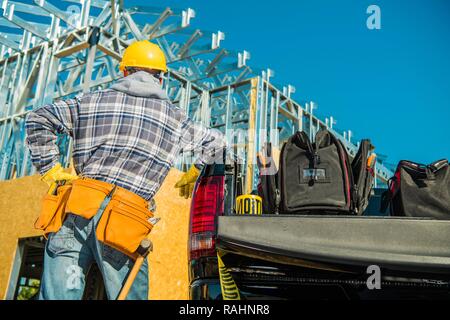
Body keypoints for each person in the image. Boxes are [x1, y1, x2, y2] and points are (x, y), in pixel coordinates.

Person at [25, 40, 226, 300]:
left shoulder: (90, 101)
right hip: (125, 219)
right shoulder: (174, 119)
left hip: (77, 207)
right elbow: (218, 143)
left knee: (59, 295)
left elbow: (39, 118)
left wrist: (50, 169)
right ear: (161, 79)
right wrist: (195, 170)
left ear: (124, 72)